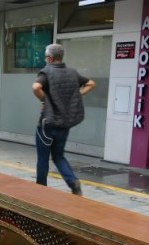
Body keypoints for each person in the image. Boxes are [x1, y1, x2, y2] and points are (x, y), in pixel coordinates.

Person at [31, 43, 95, 196]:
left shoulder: (46, 72)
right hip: (64, 125)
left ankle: (40, 190)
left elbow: (36, 87)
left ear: (50, 58)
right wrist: (77, 95)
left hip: (47, 124)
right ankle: (73, 182)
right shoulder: (72, 73)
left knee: (43, 158)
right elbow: (91, 84)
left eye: (46, 57)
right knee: (58, 156)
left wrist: (44, 100)